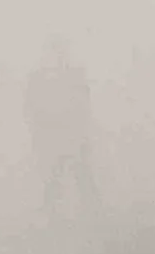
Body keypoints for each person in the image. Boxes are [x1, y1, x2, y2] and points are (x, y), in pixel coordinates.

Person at [23, 37, 100, 215]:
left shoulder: (71, 74)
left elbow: (83, 102)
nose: (58, 55)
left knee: (78, 178)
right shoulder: (43, 76)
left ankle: (91, 215)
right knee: (57, 179)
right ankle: (54, 216)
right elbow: (31, 106)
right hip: (56, 135)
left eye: (60, 50)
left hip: (70, 134)